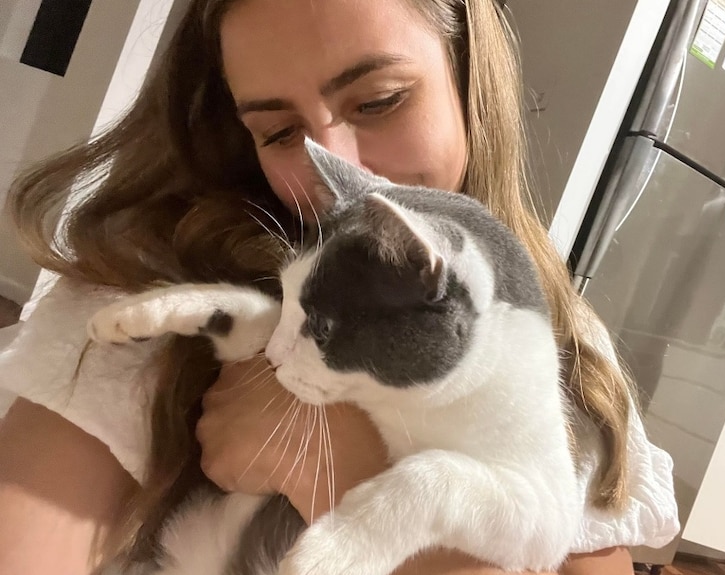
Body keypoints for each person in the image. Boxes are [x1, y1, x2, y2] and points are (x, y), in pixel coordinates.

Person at [0, 0, 679, 573]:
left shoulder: (568, 342)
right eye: (278, 131)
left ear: (469, 73)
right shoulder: (145, 288)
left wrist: (337, 472)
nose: (335, 173)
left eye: (379, 101)